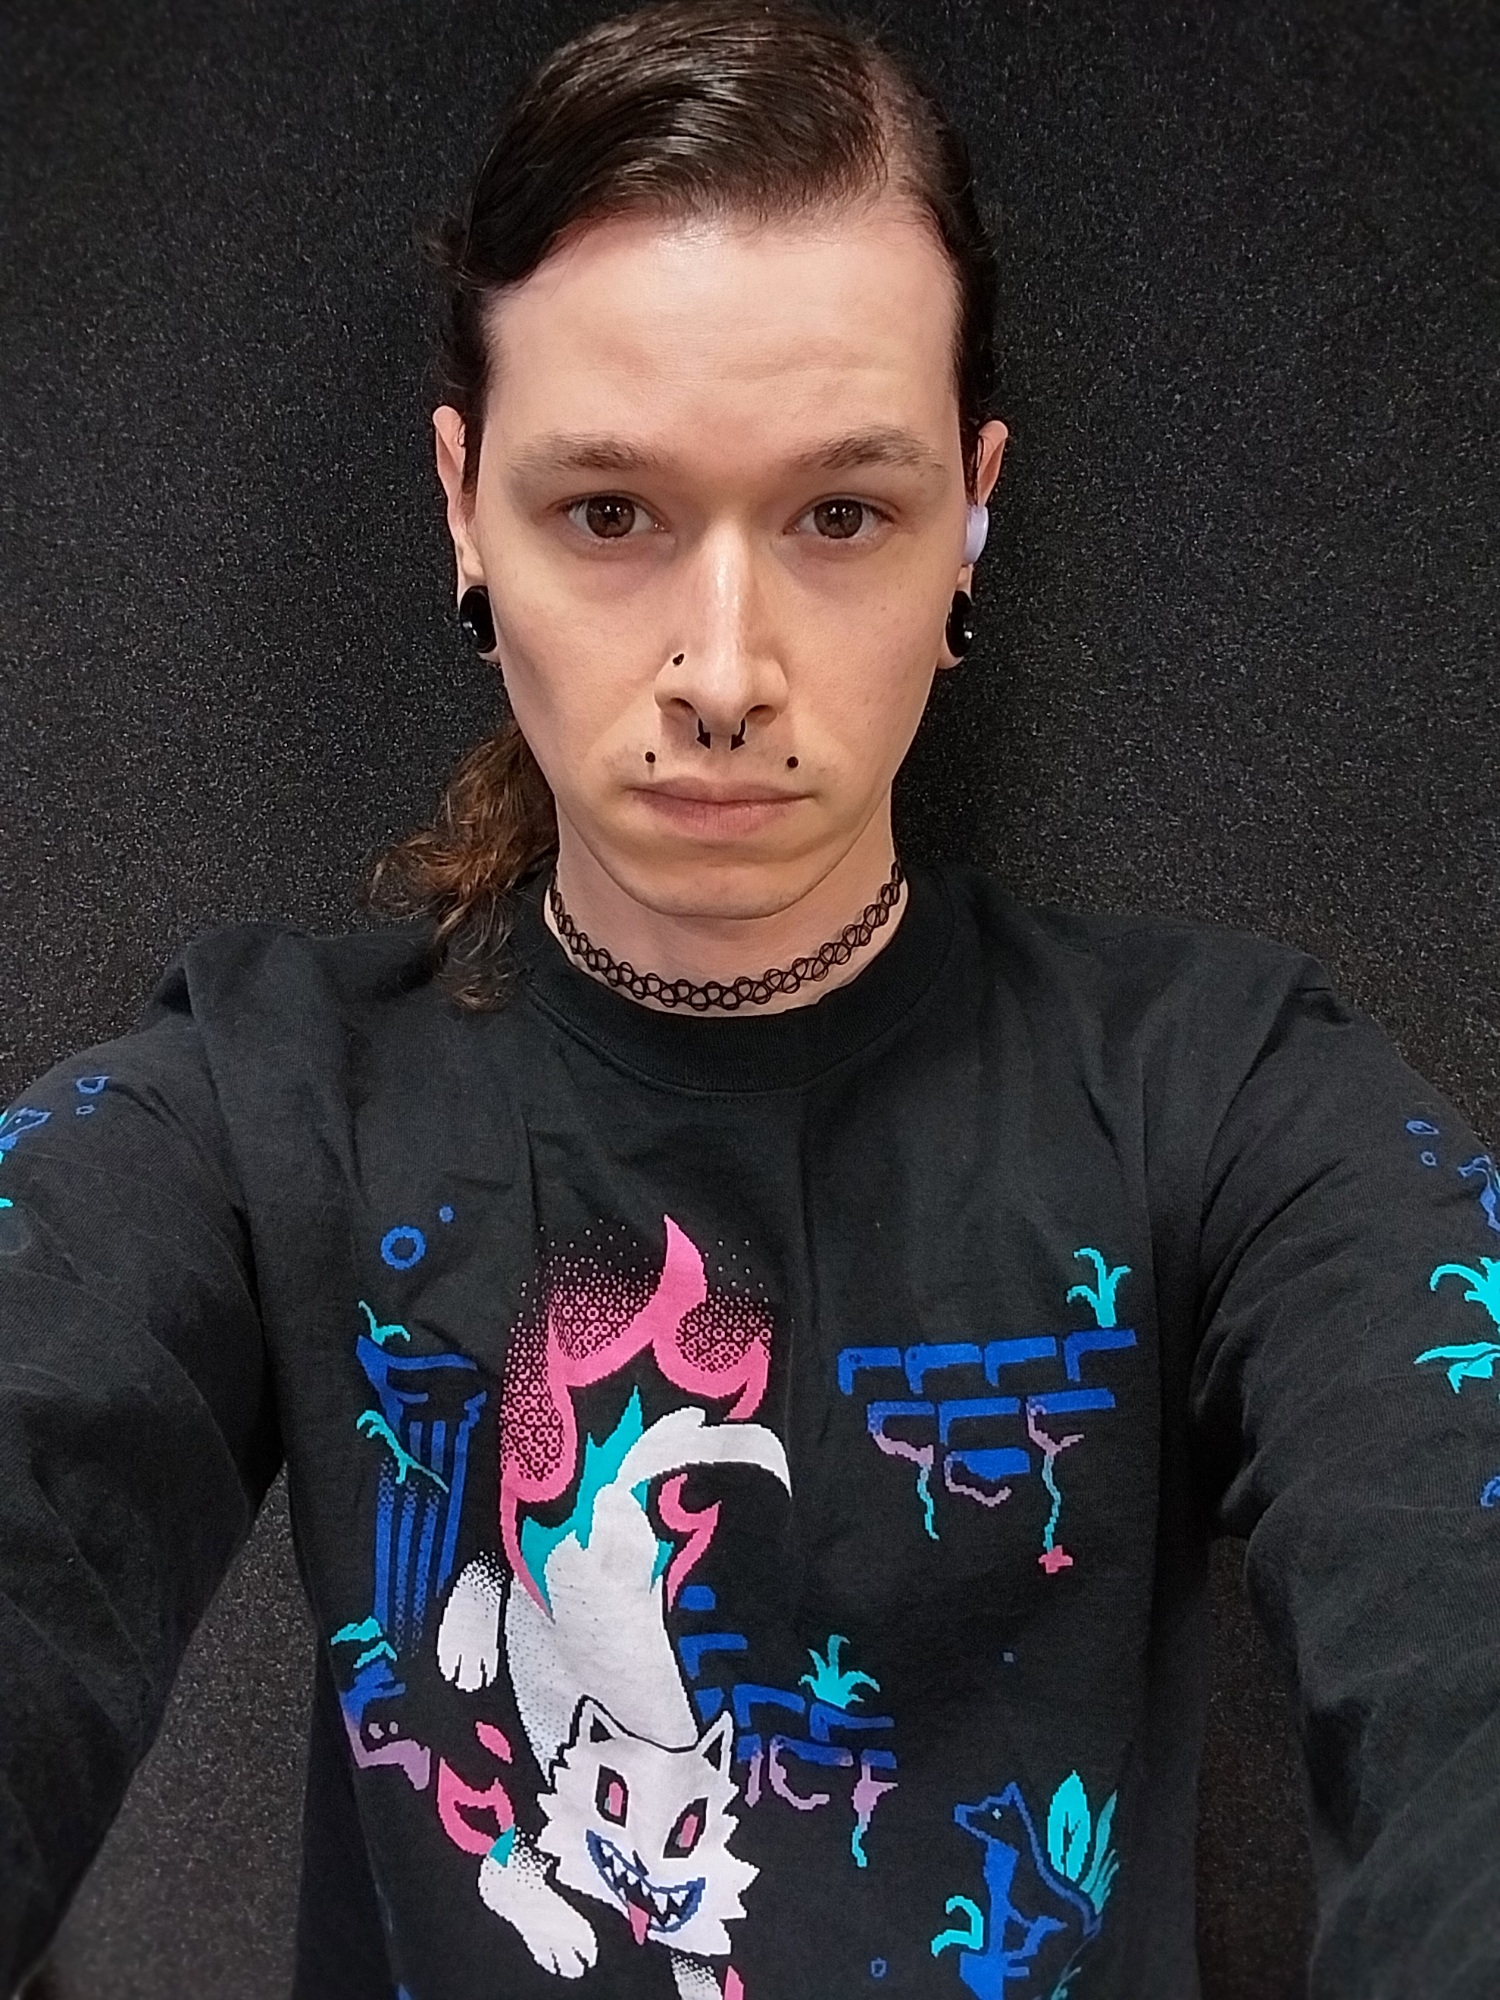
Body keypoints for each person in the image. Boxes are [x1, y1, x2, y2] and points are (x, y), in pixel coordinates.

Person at [2, 1, 1497, 1995]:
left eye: (840, 515)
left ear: (971, 517)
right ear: (463, 505)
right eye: (609, 513)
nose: (724, 669)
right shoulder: (259, 1106)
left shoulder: (1227, 1098)